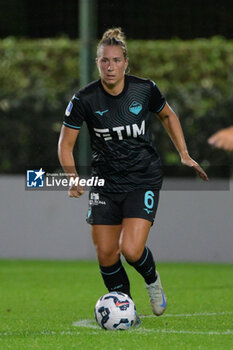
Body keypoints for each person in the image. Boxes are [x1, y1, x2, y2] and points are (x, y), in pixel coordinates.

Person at [58, 28, 208, 324]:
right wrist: (72, 177)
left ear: (126, 62)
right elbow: (65, 144)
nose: (110, 66)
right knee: (106, 253)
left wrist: (184, 153)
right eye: (104, 61)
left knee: (130, 249)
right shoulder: (84, 99)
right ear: (97, 63)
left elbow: (168, 115)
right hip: (105, 182)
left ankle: (152, 281)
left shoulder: (144, 89)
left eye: (115, 60)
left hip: (142, 178)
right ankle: (126, 308)